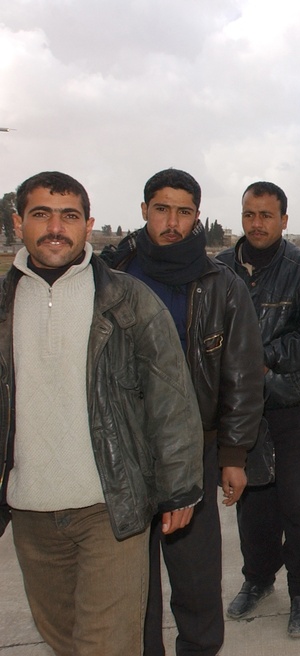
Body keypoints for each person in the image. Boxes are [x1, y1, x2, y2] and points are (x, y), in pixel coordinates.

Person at [1, 171, 204, 655]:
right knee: (63, 639)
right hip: (30, 511)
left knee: (108, 646)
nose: (56, 227)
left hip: (110, 507)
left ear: (87, 225)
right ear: (18, 223)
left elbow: (171, 400)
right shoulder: (4, 306)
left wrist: (180, 488)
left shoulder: (128, 301)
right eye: (41, 214)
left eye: (69, 216)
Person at [103, 169, 265, 656]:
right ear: (144, 210)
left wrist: (233, 454)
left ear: (197, 216)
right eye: (161, 209)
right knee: (134, 580)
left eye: (184, 211)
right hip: (122, 449)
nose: (171, 221)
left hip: (194, 448)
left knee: (195, 577)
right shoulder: (107, 276)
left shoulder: (223, 285)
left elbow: (242, 373)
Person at [218, 181, 300, 639]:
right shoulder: (219, 270)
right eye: (249, 214)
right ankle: (258, 579)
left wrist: (268, 356)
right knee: (253, 504)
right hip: (242, 414)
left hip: (296, 406)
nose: (256, 223)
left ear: (284, 219)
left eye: (266, 215)